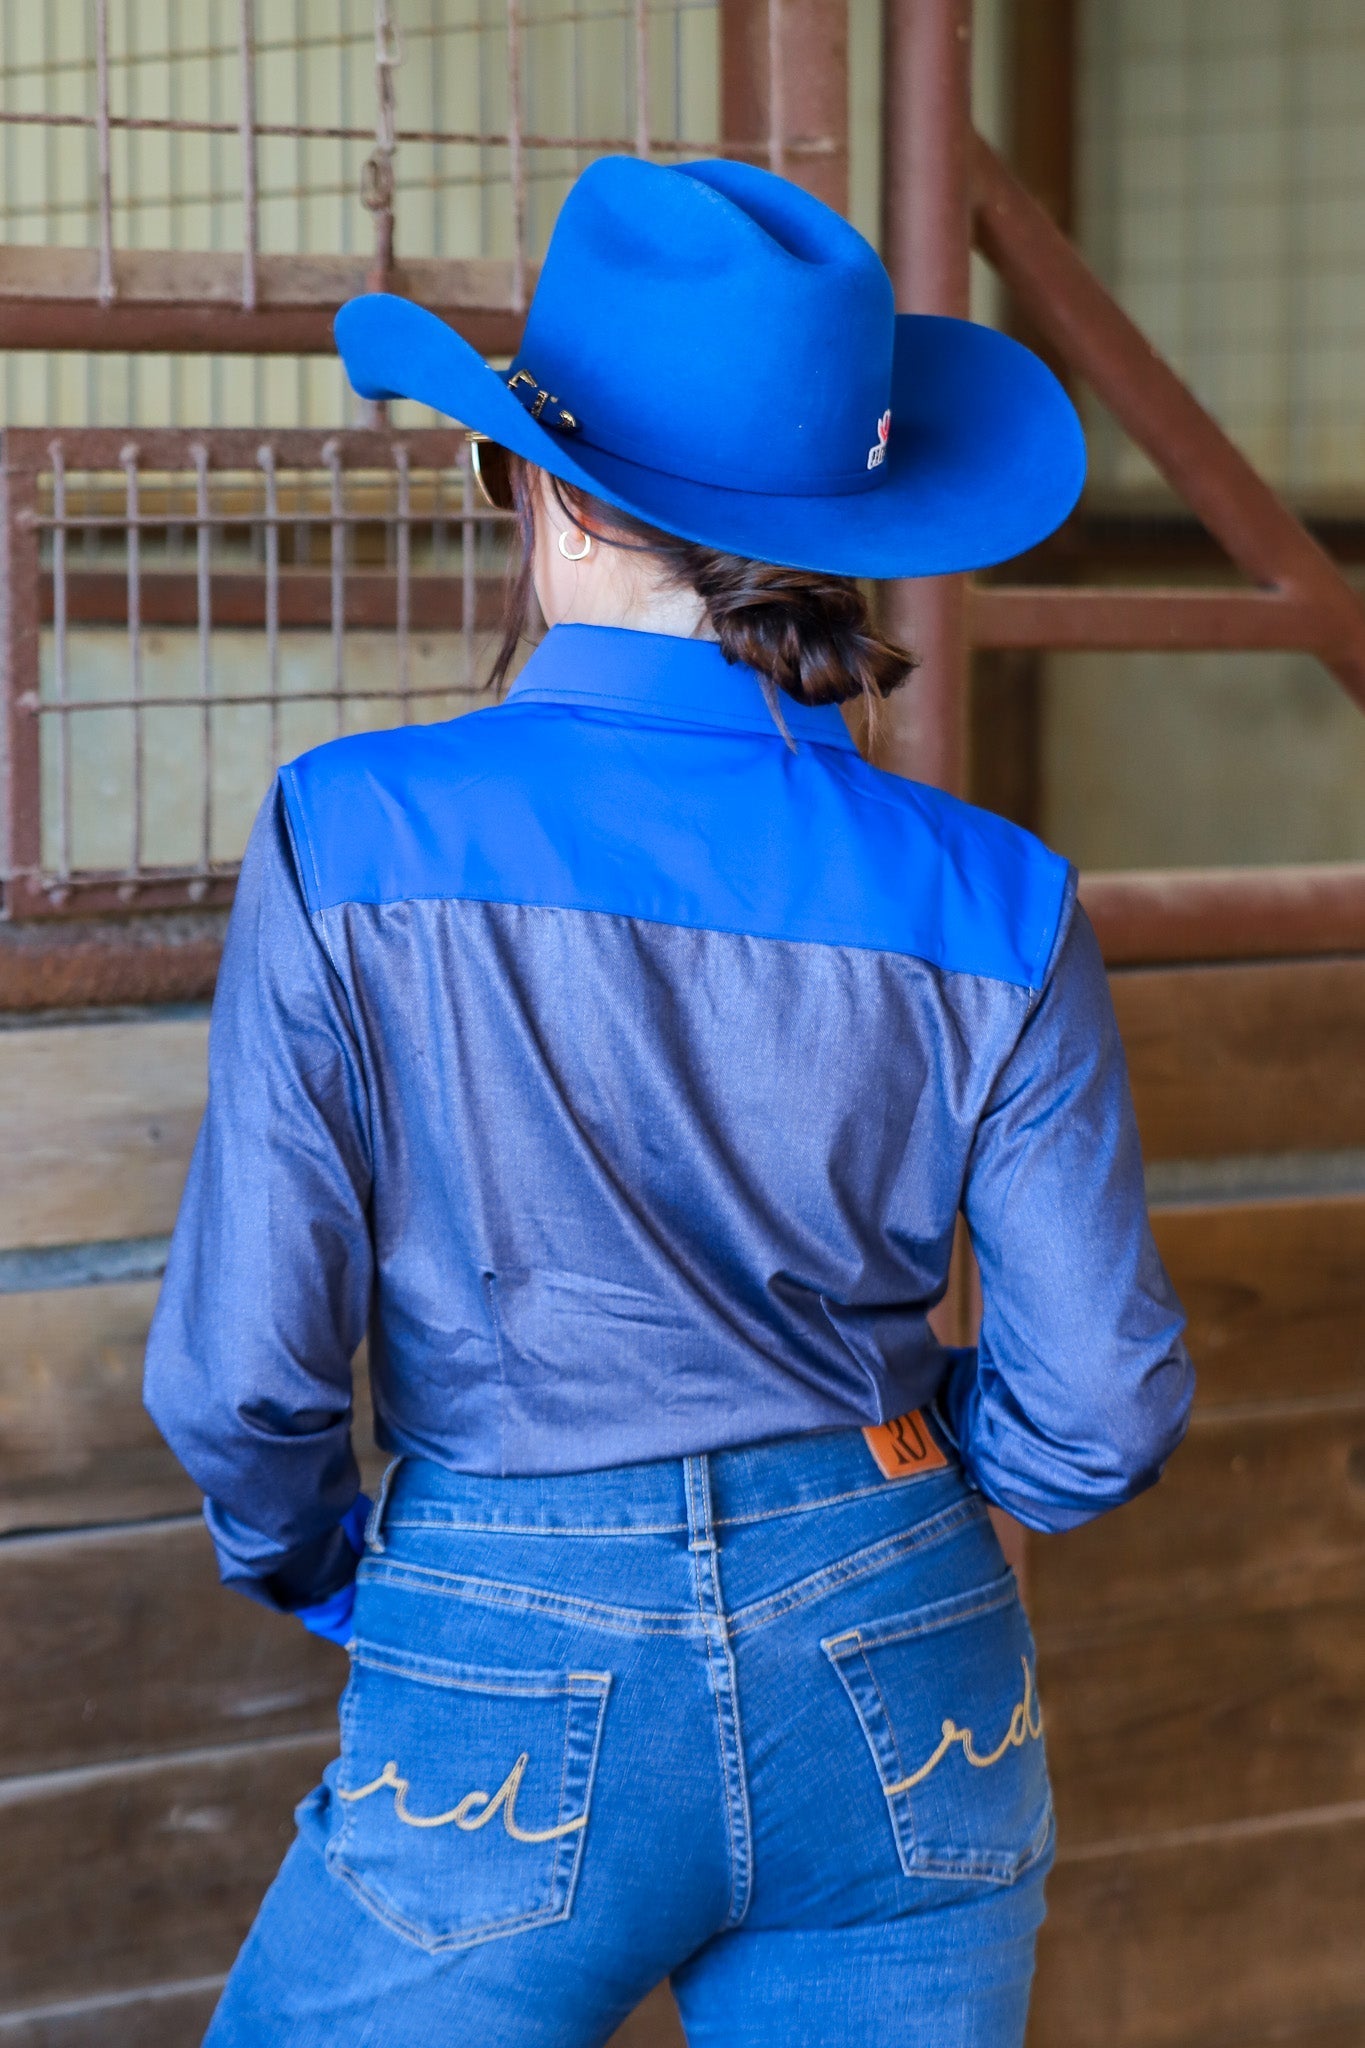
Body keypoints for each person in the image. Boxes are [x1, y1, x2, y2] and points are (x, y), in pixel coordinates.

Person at [144, 155, 1192, 2048]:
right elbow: (1098, 1402)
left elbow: (237, 1380)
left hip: (507, 1621)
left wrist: (338, 1573)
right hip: (902, 1635)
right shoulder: (996, 895)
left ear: (538, 488)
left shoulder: (353, 828)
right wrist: (903, 1480)